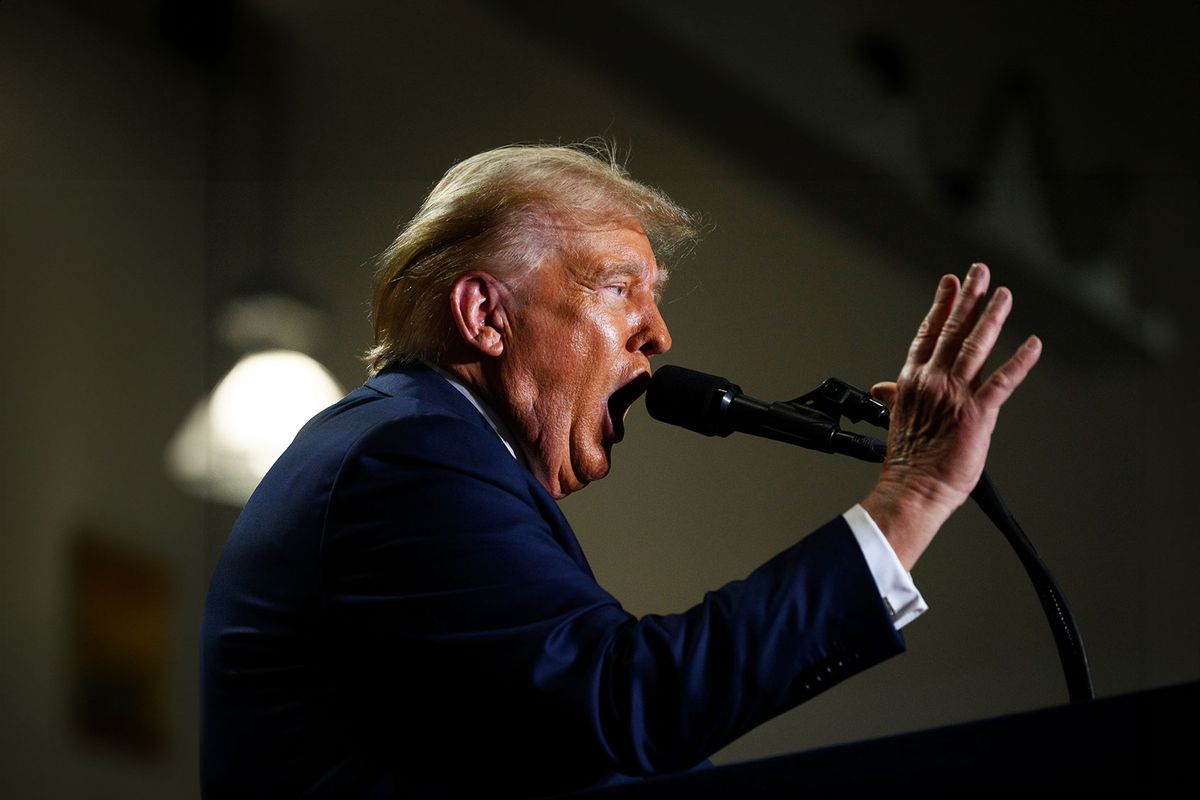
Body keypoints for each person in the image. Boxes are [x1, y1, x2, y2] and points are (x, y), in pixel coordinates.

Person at [200, 142, 1041, 798]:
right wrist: (914, 497)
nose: (659, 333)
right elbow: (623, 700)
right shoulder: (407, 454)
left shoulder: (421, 446)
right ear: (485, 315)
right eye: (619, 289)